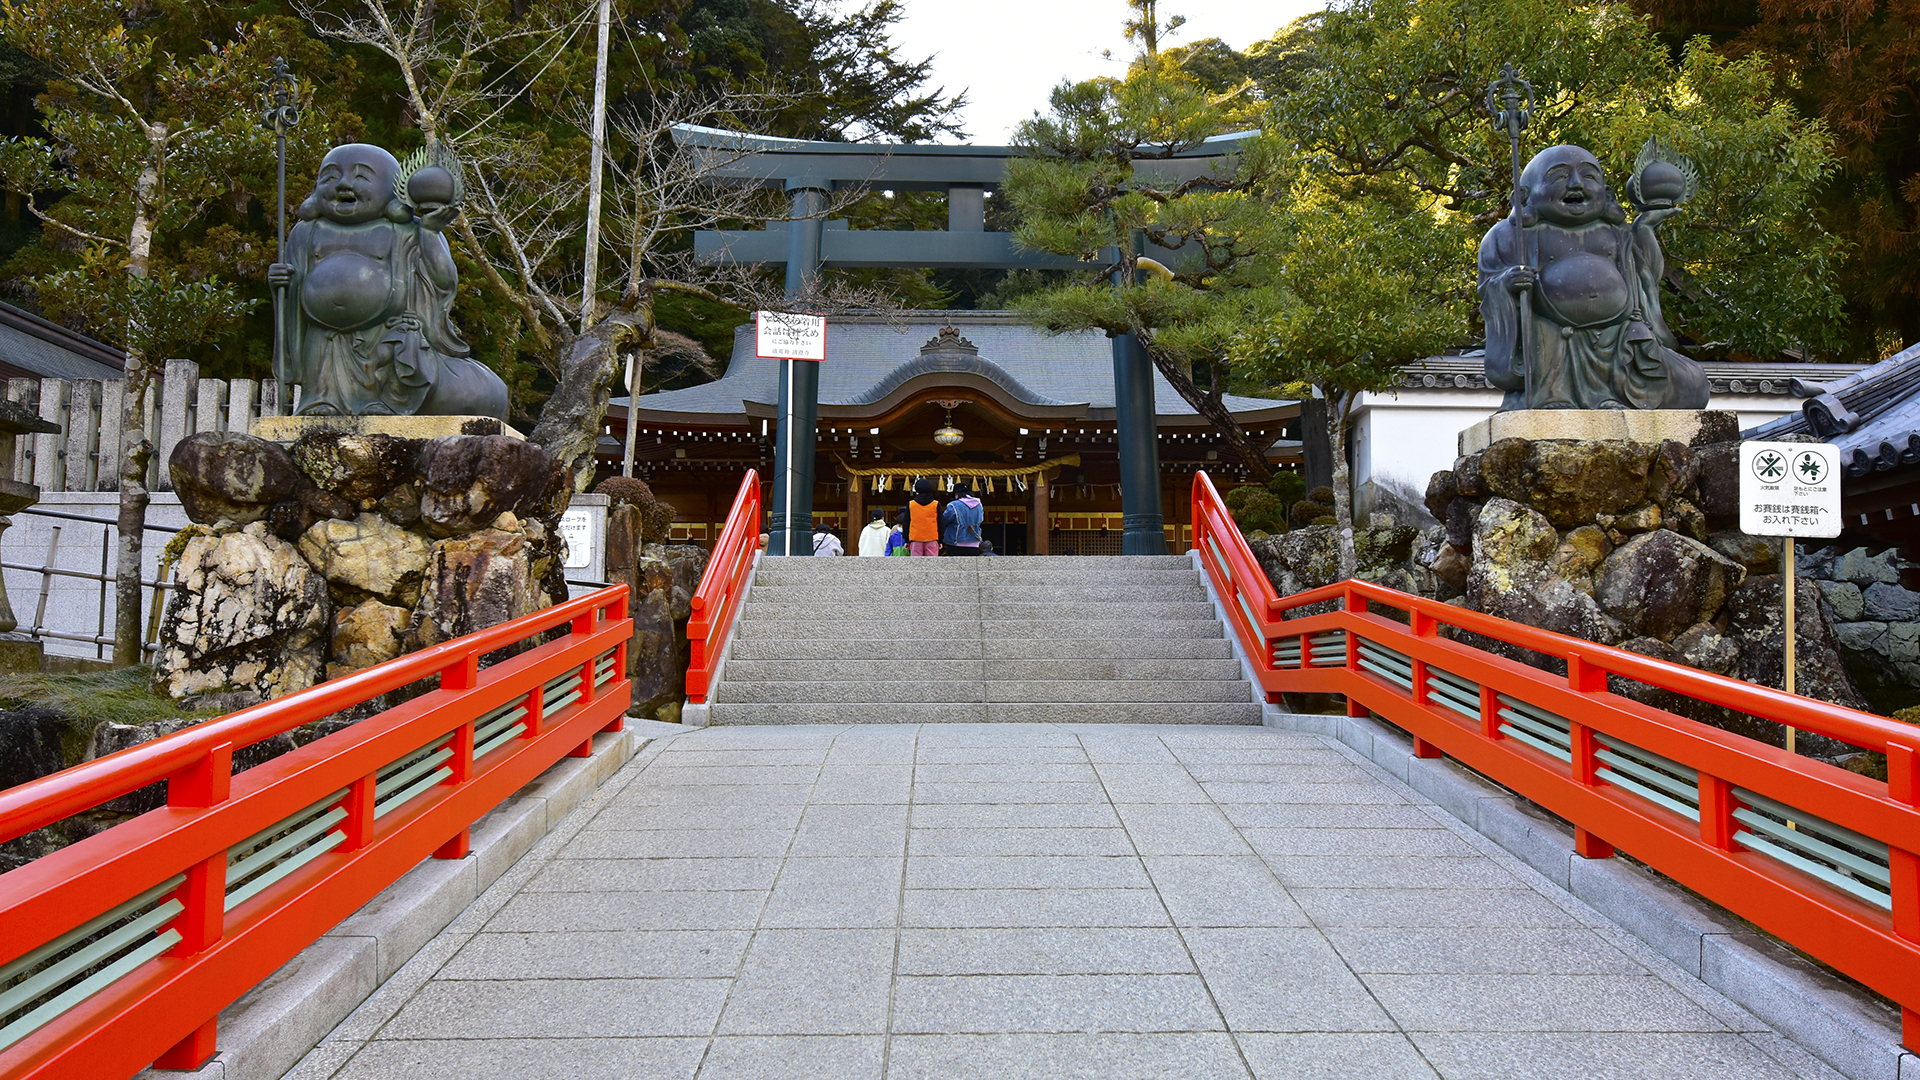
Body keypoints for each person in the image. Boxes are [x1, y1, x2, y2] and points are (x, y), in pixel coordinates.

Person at [941, 481, 984, 556]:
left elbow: (943, 521)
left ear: (956, 494)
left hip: (956, 542)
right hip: (975, 542)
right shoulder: (979, 505)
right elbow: (981, 520)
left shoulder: (953, 505)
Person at [904, 478, 942, 557]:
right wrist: (940, 540)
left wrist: (906, 540)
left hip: (915, 538)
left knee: (916, 566)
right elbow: (941, 523)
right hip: (932, 538)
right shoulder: (936, 504)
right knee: (932, 565)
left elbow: (906, 523)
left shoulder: (911, 504)